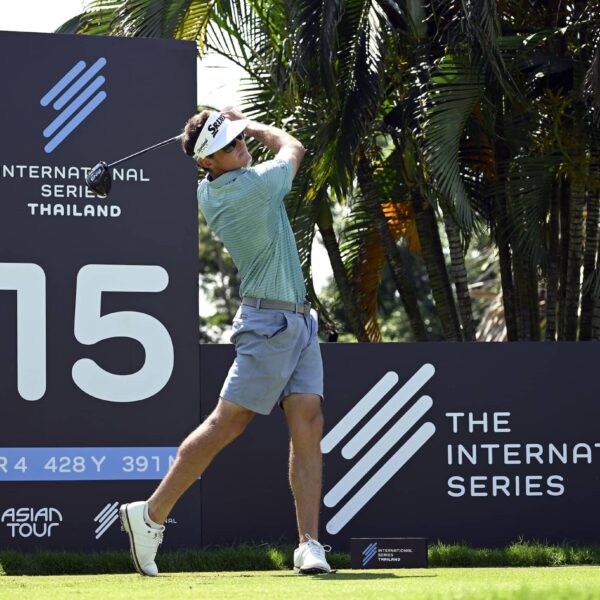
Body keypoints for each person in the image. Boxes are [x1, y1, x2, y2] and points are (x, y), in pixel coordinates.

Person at [119, 108, 331, 576]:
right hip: (269, 325)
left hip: (298, 322)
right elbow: (293, 146)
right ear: (207, 163)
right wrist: (253, 124)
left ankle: (309, 544)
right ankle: (150, 515)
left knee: (308, 420)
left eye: (239, 139)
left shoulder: (213, 187)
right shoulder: (250, 189)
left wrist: (224, 128)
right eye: (230, 145)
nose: (241, 146)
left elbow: (245, 154)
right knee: (226, 423)